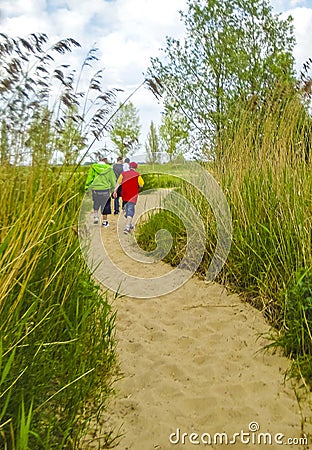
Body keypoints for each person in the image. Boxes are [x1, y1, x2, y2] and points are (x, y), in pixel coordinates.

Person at [113, 161, 144, 234]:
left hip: (125, 195)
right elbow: (142, 184)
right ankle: (127, 228)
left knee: (127, 210)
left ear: (129, 167)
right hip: (133, 196)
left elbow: (118, 183)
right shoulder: (137, 175)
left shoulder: (123, 174)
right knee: (130, 211)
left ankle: (129, 223)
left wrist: (115, 191)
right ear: (136, 167)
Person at [85, 156, 116, 227]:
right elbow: (112, 180)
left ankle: (96, 217)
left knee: (96, 203)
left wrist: (87, 189)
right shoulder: (109, 168)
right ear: (105, 161)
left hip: (95, 190)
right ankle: (105, 222)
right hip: (105, 190)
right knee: (106, 206)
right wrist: (114, 190)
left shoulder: (93, 168)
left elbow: (89, 179)